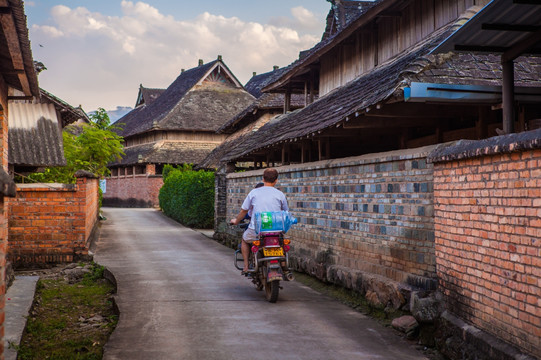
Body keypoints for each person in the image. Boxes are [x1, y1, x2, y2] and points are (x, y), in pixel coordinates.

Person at [230, 168, 288, 273]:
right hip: (276, 230)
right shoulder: (280, 194)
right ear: (276, 180)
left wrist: (237, 221)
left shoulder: (254, 193)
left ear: (263, 179)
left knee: (244, 240)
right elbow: (285, 212)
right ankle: (284, 267)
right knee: (282, 242)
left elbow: (244, 211)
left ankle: (246, 266)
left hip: (257, 230)